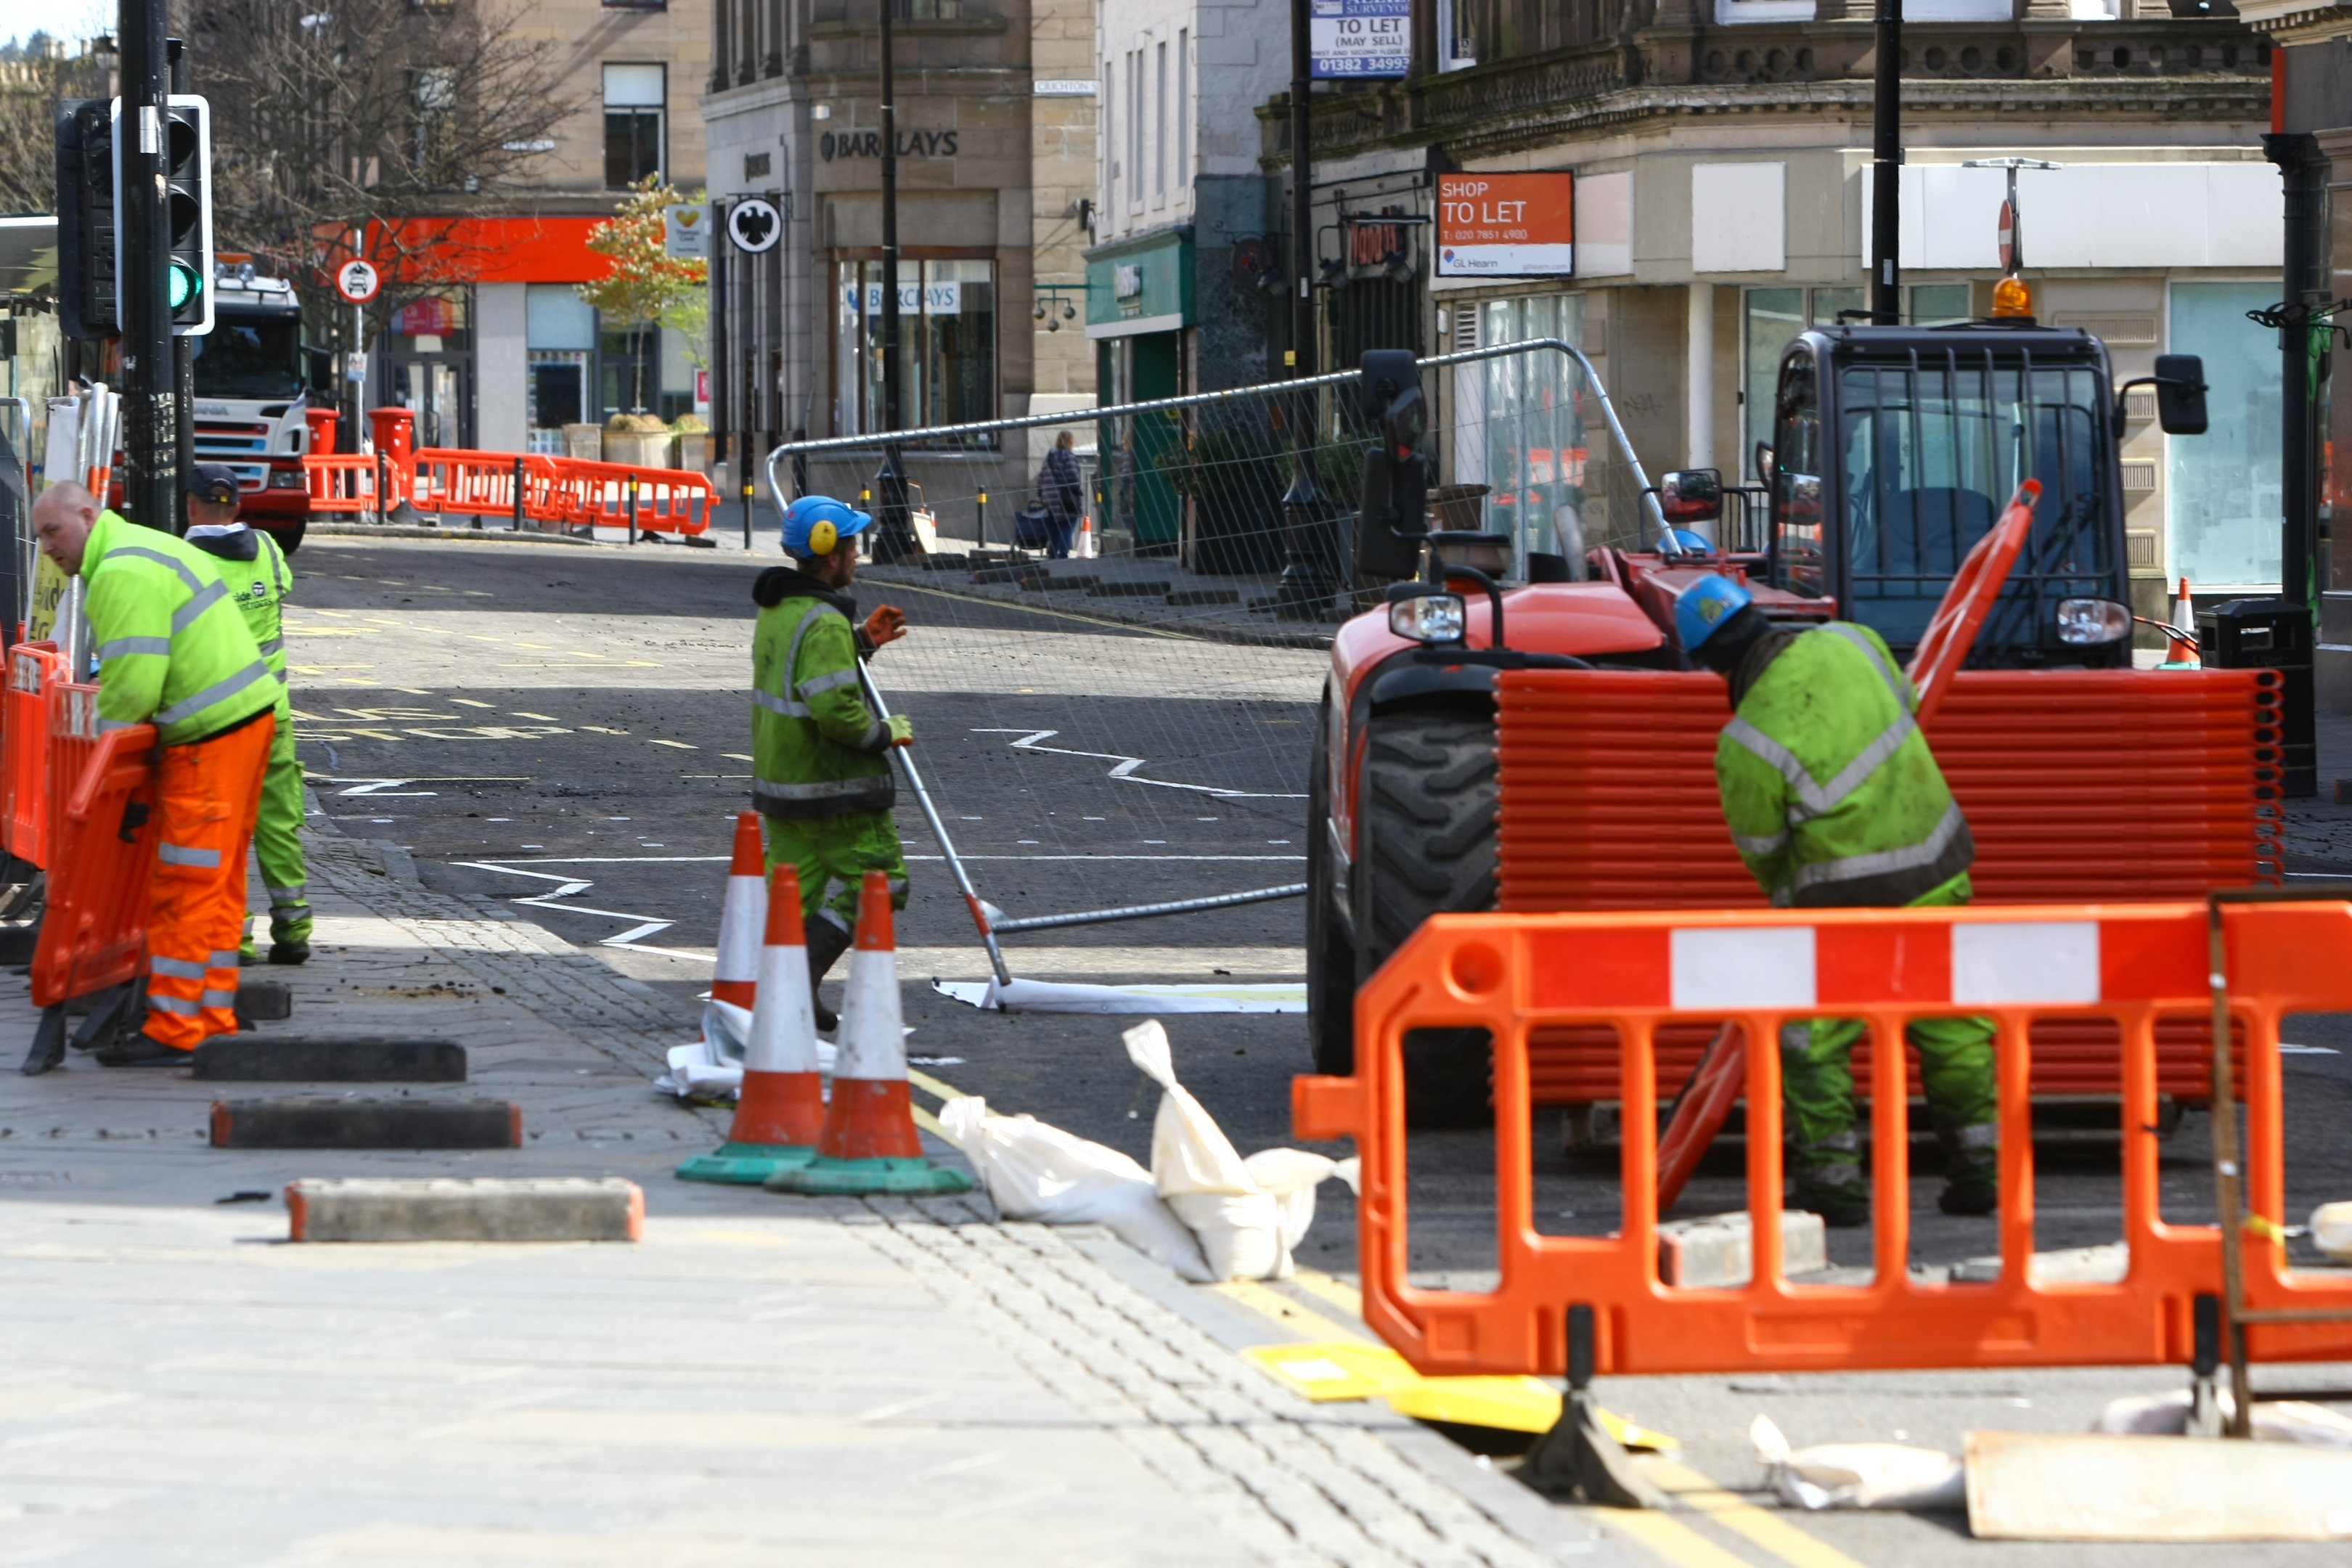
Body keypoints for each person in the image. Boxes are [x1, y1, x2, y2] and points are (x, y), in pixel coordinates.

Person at [1676, 574, 1996, 1225]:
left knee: (1815, 1044)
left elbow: (1764, 852)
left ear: (1711, 664)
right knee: (1956, 1033)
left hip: (1841, 912)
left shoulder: (1745, 743)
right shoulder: (1855, 642)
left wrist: (1795, 911)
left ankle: (1835, 1191)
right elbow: (1906, 705)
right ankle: (1983, 1177)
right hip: (1938, 874)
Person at [28, 482, 277, 1066]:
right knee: (216, 884)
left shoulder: (120, 571)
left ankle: (174, 1027)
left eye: (53, 531)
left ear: (88, 516)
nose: (47, 548)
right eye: (40, 535)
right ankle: (210, 1017)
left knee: (184, 886)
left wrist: (104, 772)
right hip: (243, 724)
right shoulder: (145, 547)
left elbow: (133, 687)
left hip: (207, 739)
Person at [751, 494, 912, 1029]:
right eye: (852, 545)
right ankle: (804, 972)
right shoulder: (822, 621)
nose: (857, 555)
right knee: (883, 882)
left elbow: (805, 676)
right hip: (831, 787)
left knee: (793, 900)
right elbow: (837, 714)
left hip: (783, 785)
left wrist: (862, 641)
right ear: (828, 550)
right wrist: (887, 733)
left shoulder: (780, 610)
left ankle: (783, 1003)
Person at [180, 464, 310, 965]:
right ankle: (295, 928)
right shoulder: (271, 552)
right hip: (273, 716)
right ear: (235, 505)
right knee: (279, 824)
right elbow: (282, 593)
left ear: (191, 505)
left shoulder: (183, 562)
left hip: (220, 722)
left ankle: (236, 936)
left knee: (225, 827)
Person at [1037, 429, 1084, 559]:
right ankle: (1063, 554)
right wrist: (1078, 491)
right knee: (1068, 525)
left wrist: (1041, 496)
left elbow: (1041, 478)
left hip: (1050, 499)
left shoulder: (1049, 457)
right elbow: (1073, 477)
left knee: (1054, 528)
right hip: (1065, 498)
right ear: (1070, 442)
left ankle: (1053, 554)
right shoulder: (1069, 457)